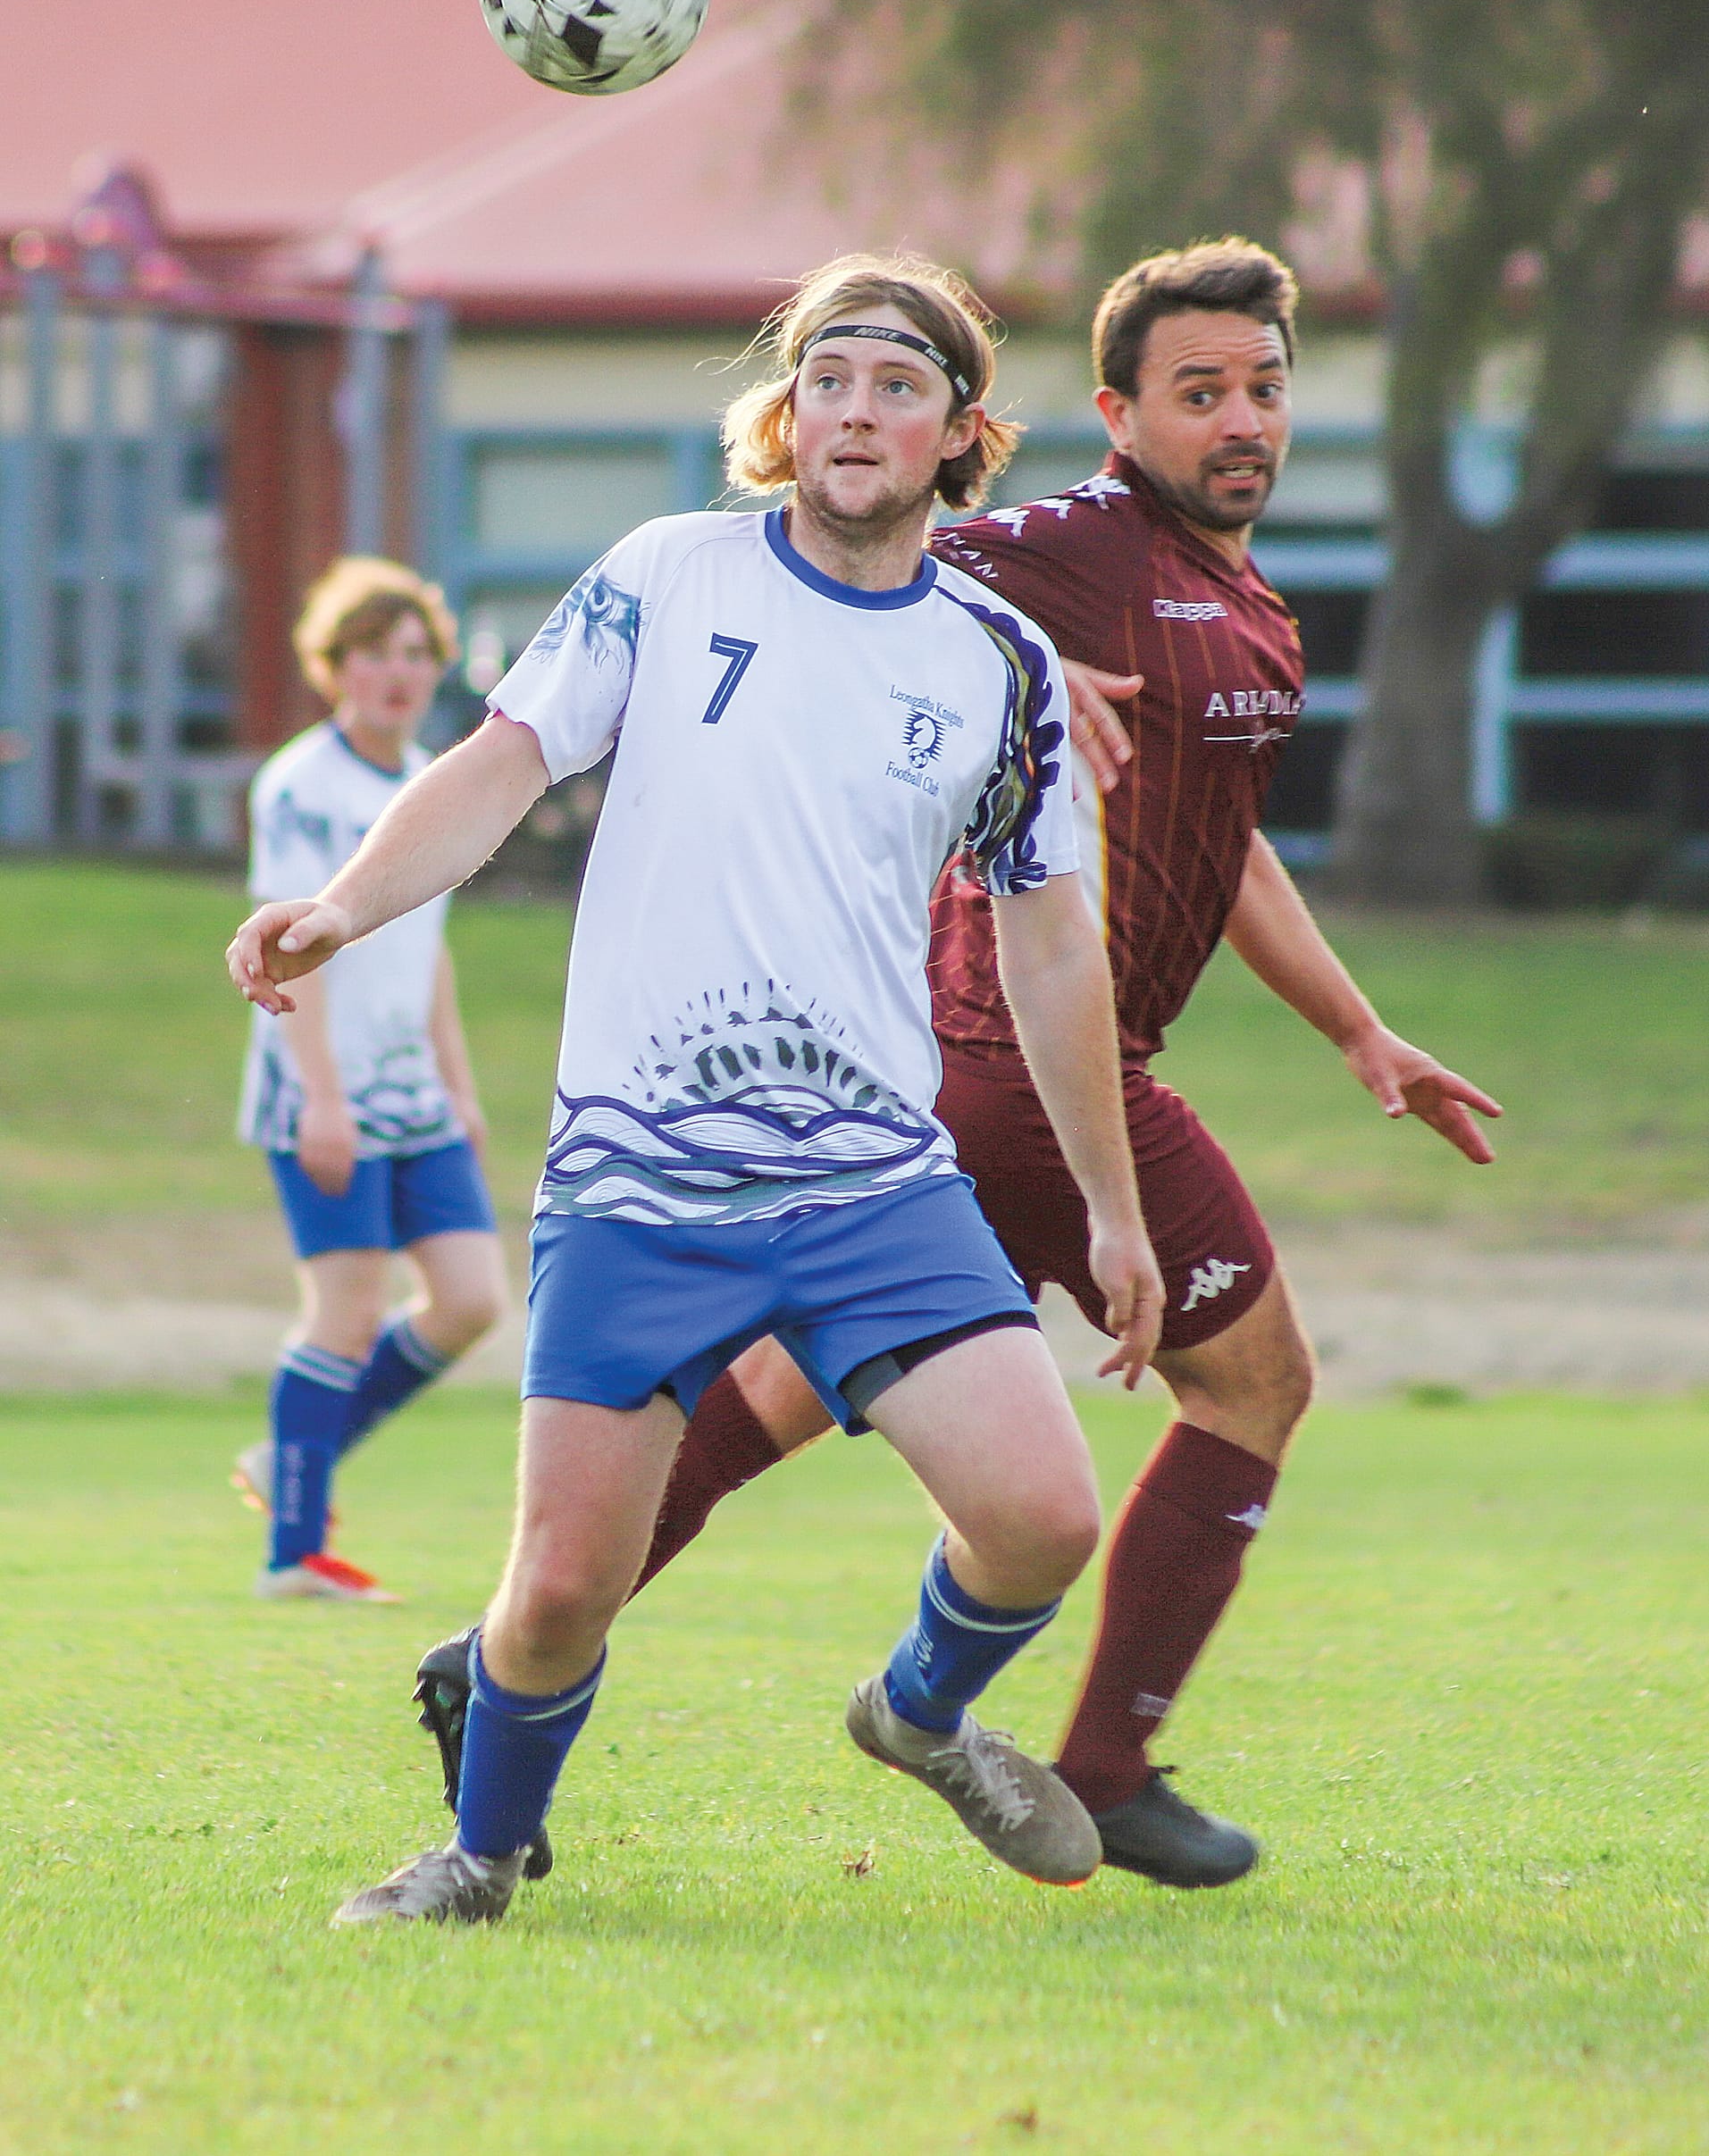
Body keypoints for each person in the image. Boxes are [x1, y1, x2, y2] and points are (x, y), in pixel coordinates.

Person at [413, 238, 1502, 1893]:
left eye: (1263, 389)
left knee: (782, 1384)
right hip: (1004, 1059)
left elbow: (1218, 843)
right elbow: (875, 549)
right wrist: (1008, 641)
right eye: (1196, 392)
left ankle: (504, 1655)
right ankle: (1092, 1759)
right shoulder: (1071, 545)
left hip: (966, 1082)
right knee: (1252, 1382)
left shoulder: (1241, 603)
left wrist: (1355, 1029)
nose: (1238, 421)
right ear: (1113, 414)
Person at [228, 255, 1164, 1926]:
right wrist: (346, 904)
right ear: (783, 415)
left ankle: (919, 1713)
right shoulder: (668, 575)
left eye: (896, 385)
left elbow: (1051, 950)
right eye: (827, 380)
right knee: (557, 1592)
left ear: (959, 432)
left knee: (1038, 1520)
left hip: (875, 1178)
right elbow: (499, 762)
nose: (855, 412)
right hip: (638, 1180)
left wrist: (1108, 1209)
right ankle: (480, 1856)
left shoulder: (997, 661)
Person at [233, 558, 507, 1603]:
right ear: (334, 665)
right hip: (324, 1087)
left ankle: (293, 1458)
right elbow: (287, 947)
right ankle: (293, 1553)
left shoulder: (427, 782)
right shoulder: (302, 785)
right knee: (345, 1311)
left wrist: (460, 1084)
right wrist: (322, 1097)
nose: (396, 672)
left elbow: (423, 949)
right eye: (373, 652)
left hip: (413, 1094)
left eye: (413, 653)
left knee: (471, 1298)